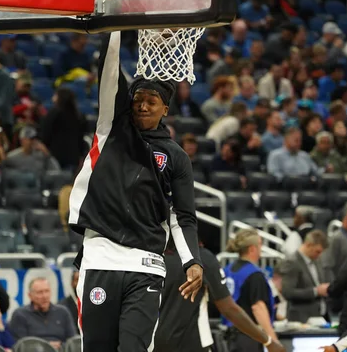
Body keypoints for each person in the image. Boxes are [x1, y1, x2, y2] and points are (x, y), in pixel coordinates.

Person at [68, 31, 203, 351]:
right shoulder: (110, 130)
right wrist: (114, 27)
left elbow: (182, 216)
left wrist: (191, 261)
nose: (142, 106)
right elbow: (110, 70)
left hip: (146, 266)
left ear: (165, 108)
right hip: (100, 259)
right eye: (138, 99)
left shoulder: (175, 156)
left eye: (151, 101)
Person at [155, 238, 283, 352]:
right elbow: (231, 308)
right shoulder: (201, 258)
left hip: (153, 342)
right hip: (195, 342)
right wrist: (269, 341)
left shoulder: (153, 257)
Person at [219, 230, 281, 352]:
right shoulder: (254, 274)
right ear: (252, 249)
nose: (261, 249)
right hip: (249, 336)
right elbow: (258, 308)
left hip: (229, 334)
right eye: (260, 244)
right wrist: (272, 340)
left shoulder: (228, 269)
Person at [9, 277, 76, 350]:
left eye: (47, 291)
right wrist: (46, 346)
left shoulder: (63, 312)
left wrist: (60, 347)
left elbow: (73, 342)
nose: (44, 296)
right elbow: (19, 346)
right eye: (40, 292)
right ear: (30, 295)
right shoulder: (20, 315)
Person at [279, 230, 329, 323]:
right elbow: (287, 292)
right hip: (300, 319)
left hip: (319, 317)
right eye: (317, 251)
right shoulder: (292, 262)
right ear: (308, 245)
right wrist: (315, 291)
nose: (319, 255)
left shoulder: (316, 261)